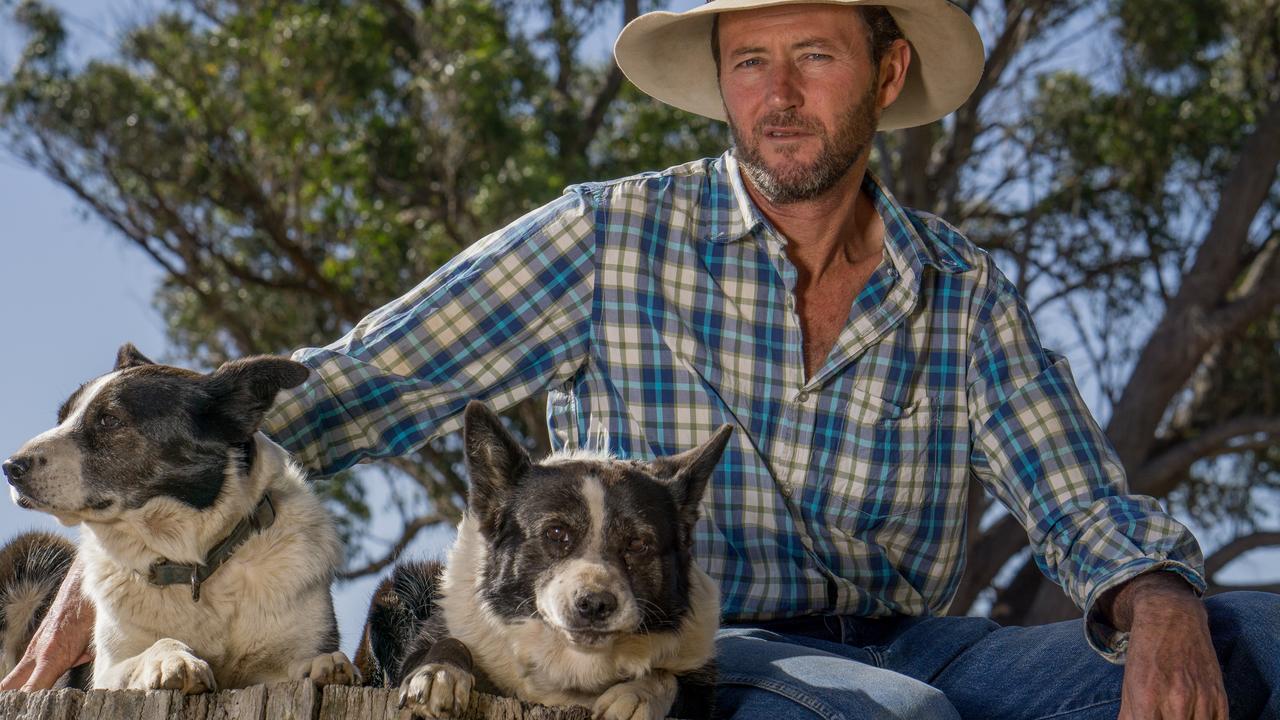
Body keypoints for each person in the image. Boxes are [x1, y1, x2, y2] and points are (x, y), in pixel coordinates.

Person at [5, 0, 1278, 717]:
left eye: (814, 55)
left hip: (929, 638)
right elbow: (366, 377)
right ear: (720, 84)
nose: (776, 93)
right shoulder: (605, 236)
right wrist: (139, 533)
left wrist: (1154, 599)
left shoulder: (962, 290)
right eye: (748, 62)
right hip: (702, 653)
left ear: (885, 72)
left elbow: (1074, 500)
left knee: (1248, 646)